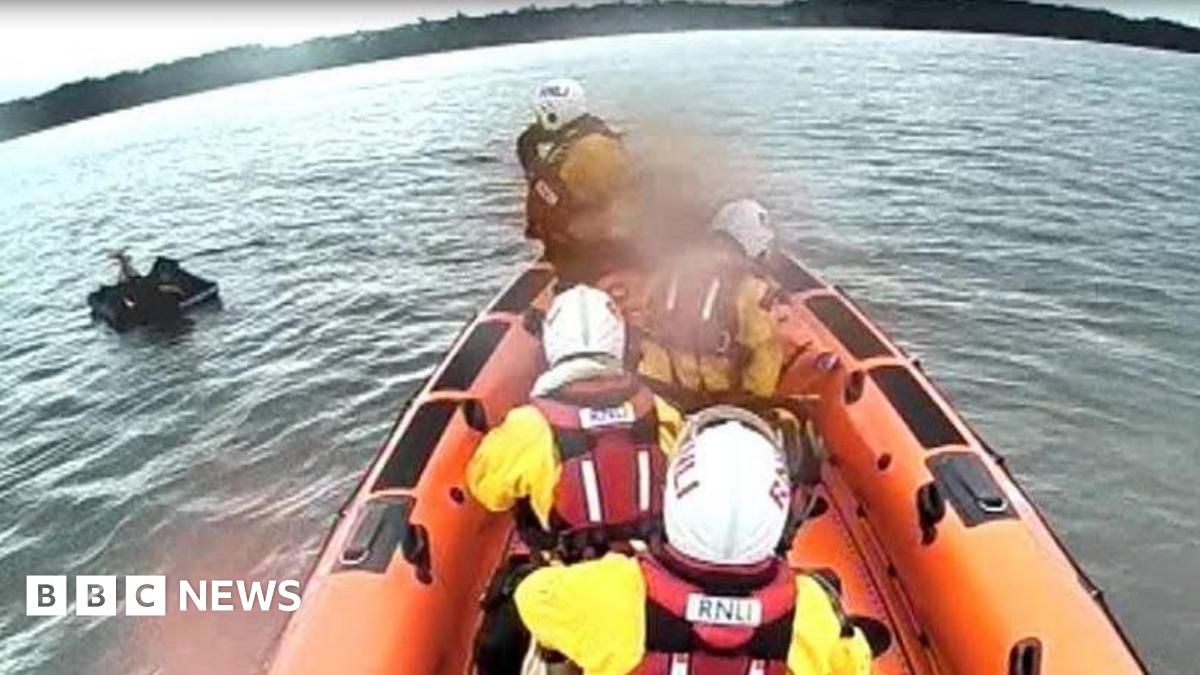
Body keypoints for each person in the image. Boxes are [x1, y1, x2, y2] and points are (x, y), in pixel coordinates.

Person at [514, 406, 873, 675]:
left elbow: (532, 597)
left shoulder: (610, 590)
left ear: (676, 495)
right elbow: (853, 664)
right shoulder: (811, 609)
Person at [467, 284, 685, 674]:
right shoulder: (661, 412)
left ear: (552, 344)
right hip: (649, 585)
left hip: (564, 591)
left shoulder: (529, 426)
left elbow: (488, 491)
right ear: (618, 343)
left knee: (499, 635)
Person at [638, 199, 786, 410]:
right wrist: (755, 406)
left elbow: (650, 337)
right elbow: (765, 360)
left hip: (666, 399)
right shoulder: (753, 291)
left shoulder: (667, 276)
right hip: (725, 405)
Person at [517, 78, 633, 273]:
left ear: (553, 114)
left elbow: (606, 208)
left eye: (540, 115)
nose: (537, 121)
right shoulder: (575, 141)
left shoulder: (592, 149)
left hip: (595, 255)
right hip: (574, 249)